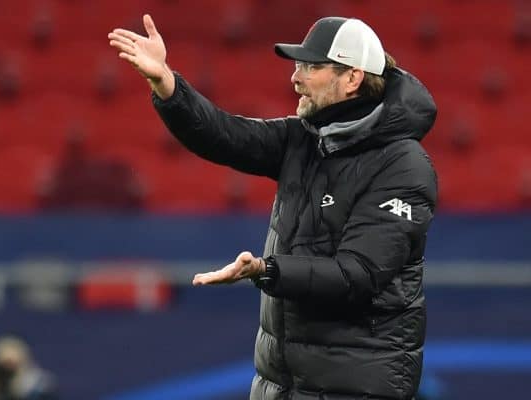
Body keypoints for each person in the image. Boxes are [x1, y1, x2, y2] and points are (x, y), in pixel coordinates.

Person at [109, 14, 437, 400]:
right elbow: (223, 135)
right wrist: (166, 84)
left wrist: (267, 269)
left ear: (352, 78)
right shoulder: (305, 139)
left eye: (310, 67)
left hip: (357, 387)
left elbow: (358, 274)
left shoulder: (402, 163)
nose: (295, 78)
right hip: (282, 385)